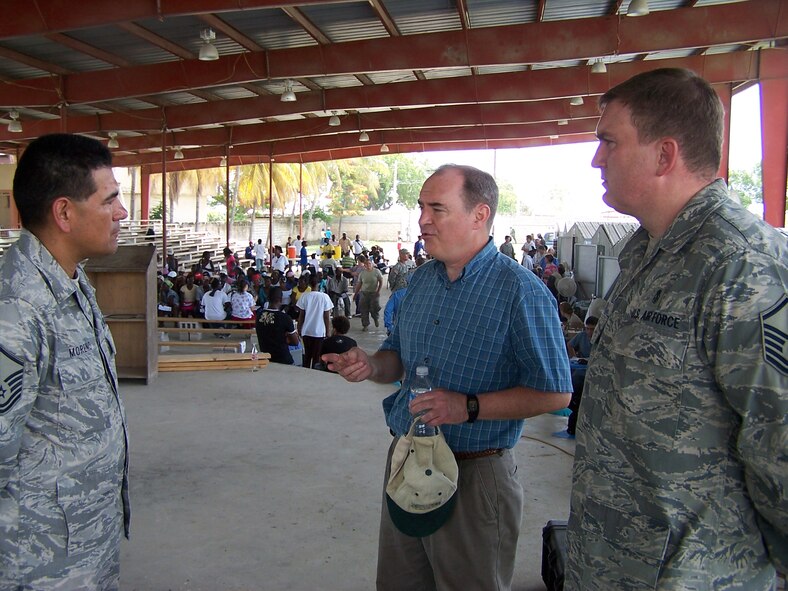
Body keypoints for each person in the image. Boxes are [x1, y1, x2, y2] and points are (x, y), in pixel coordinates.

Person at [565, 68, 788, 591]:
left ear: (664, 155)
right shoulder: (645, 252)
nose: (597, 159)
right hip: (609, 562)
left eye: (609, 142)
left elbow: (780, 440)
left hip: (692, 574)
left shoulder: (742, 265)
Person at [323, 164, 572, 591]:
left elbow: (555, 393)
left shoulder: (521, 292)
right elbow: (396, 358)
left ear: (480, 214)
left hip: (475, 474)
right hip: (406, 459)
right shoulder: (421, 282)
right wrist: (370, 366)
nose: (422, 219)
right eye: (421, 207)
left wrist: (467, 406)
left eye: (437, 208)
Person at [0, 133, 131, 588]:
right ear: (64, 213)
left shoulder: (69, 282)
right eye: (110, 199)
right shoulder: (17, 309)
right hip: (40, 561)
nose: (123, 212)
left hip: (86, 544)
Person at [296, 275, 333, 369]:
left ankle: (305, 372)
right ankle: (314, 374)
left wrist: (299, 328)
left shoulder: (305, 296)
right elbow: (326, 316)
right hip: (319, 331)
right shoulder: (324, 297)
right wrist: (328, 331)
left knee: (307, 355)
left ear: (309, 284)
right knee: (317, 356)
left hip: (306, 330)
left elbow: (301, 315)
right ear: (319, 284)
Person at [255, 287, 299, 365]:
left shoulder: (259, 315)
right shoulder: (285, 318)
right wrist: (285, 339)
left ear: (268, 298)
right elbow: (295, 342)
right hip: (283, 359)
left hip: (266, 358)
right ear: (281, 299)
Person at [355, 254, 383, 332]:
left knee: (374, 308)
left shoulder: (376, 271)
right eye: (366, 264)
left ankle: (375, 318)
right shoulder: (362, 273)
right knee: (364, 310)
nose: (368, 265)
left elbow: (381, 281)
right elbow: (359, 284)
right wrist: (356, 293)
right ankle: (365, 325)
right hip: (364, 293)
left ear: (372, 264)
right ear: (364, 265)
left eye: (369, 264)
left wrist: (378, 291)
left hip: (374, 293)